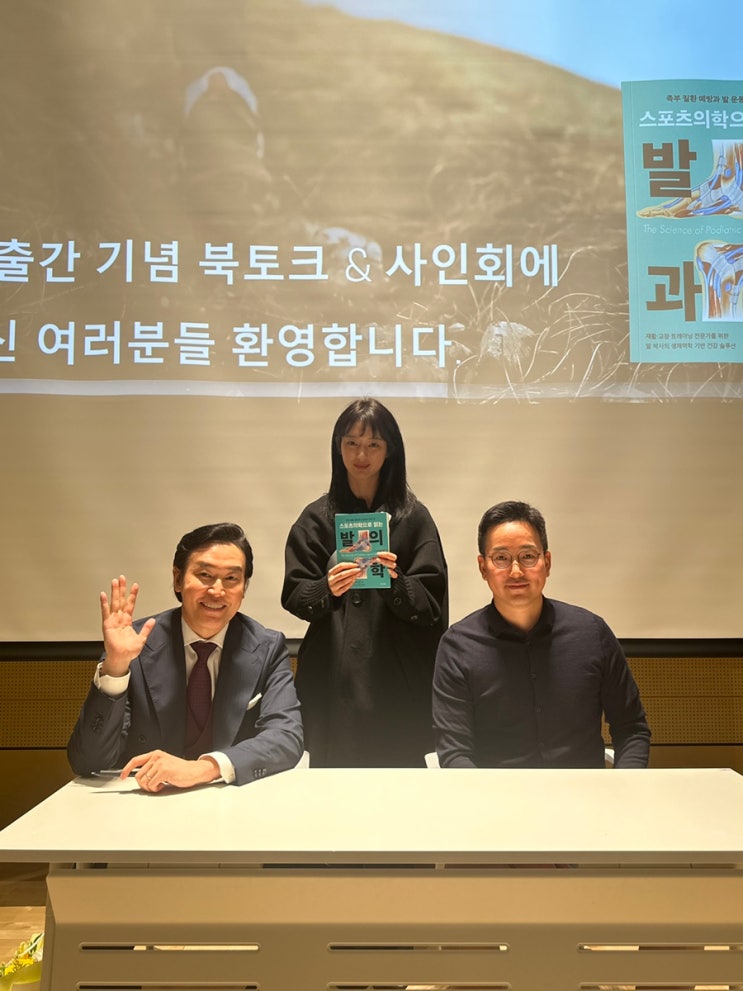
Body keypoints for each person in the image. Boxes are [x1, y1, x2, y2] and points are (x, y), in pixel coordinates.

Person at [68, 523, 303, 791]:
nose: (217, 590)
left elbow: (286, 736)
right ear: (178, 579)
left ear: (244, 587)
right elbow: (88, 761)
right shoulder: (134, 643)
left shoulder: (267, 647)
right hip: (147, 799)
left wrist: (205, 768)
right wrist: (116, 668)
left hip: (228, 797)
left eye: (231, 578)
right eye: (205, 575)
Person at [282, 398, 448, 767]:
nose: (361, 455)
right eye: (352, 443)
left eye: (373, 444)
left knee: (399, 783)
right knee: (332, 783)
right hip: (332, 678)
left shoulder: (414, 517)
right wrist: (327, 588)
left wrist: (395, 582)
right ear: (337, 447)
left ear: (390, 450)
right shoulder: (316, 518)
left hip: (397, 680)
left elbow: (432, 604)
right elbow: (295, 594)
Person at [433, 500, 650, 769]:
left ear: (547, 562)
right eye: (501, 558)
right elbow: (454, 752)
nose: (515, 571)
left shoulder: (592, 634)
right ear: (483, 567)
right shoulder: (458, 646)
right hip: (497, 793)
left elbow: (632, 729)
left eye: (528, 556)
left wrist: (622, 787)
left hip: (584, 792)